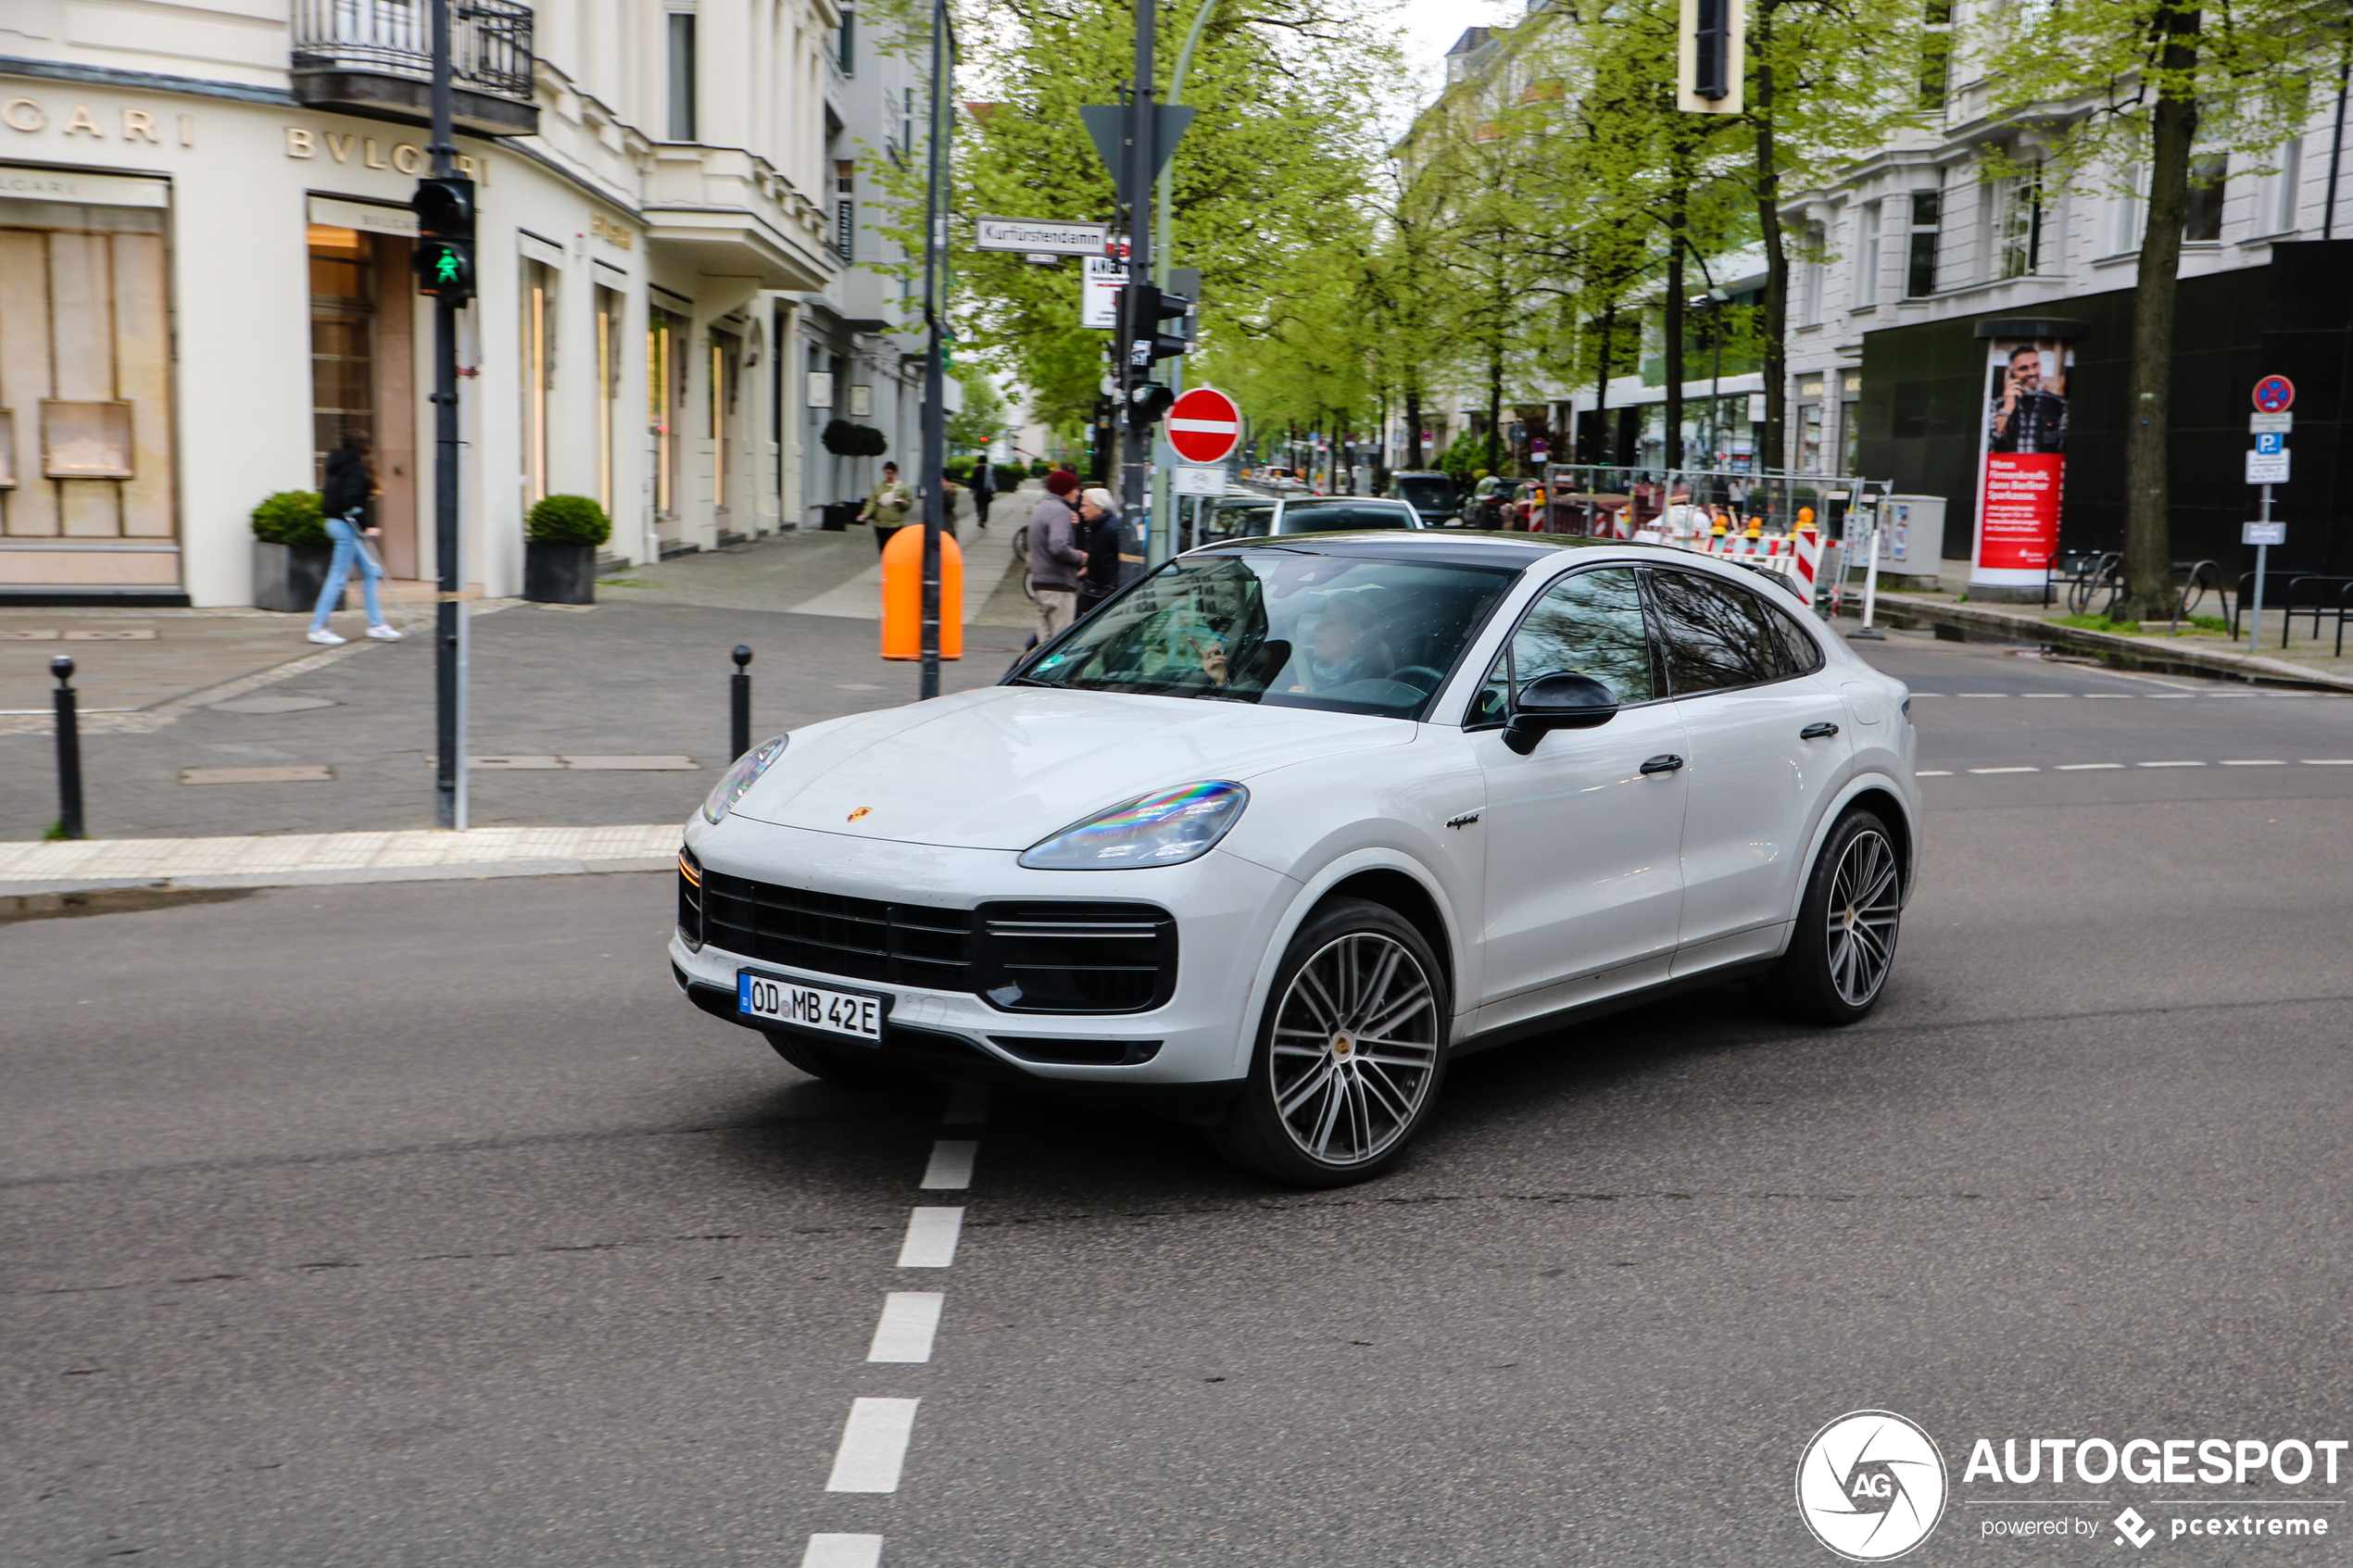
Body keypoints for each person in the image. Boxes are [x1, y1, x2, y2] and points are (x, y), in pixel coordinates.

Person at [307, 432, 400, 646]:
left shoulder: (337, 464)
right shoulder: (356, 467)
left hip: (334, 523)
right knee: (338, 577)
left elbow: (337, 497)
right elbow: (351, 501)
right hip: (345, 527)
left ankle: (376, 624)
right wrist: (365, 526)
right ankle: (318, 627)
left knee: (371, 571)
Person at [1029, 471, 1087, 641]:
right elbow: (1058, 546)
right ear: (1065, 489)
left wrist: (1071, 527)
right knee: (1060, 644)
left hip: (1040, 583)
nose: (1078, 493)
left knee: (1044, 645)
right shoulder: (1060, 511)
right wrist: (1079, 557)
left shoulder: (1041, 507)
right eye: (1075, 488)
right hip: (1058, 586)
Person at [1989, 344, 2067, 454]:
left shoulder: (2058, 404)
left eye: (2035, 365)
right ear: (2012, 373)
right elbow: (1987, 444)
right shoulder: (1997, 405)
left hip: (2042, 470)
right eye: (2023, 368)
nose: (2032, 373)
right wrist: (2007, 408)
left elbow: (2065, 446)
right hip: (2009, 469)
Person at [1075, 486, 1132, 616]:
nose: (1081, 510)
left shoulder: (1112, 528)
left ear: (1099, 508)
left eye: (1084, 506)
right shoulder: (1096, 526)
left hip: (1104, 594)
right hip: (1097, 591)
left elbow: (1124, 562)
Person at [859, 460, 914, 553]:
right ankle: (884, 565)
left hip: (895, 525)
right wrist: (865, 514)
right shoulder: (878, 487)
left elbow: (909, 504)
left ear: (895, 473)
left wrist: (902, 502)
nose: (888, 475)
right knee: (883, 549)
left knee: (893, 549)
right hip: (880, 524)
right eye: (886, 473)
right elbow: (871, 502)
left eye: (891, 473)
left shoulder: (902, 488)